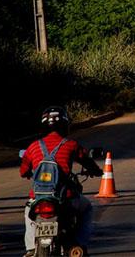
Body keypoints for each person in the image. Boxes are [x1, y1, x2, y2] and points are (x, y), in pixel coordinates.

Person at [20, 106, 103, 256]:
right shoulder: (71, 145)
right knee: (87, 209)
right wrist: (96, 171)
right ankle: (78, 244)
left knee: (28, 212)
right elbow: (87, 161)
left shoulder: (34, 146)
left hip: (38, 197)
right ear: (65, 125)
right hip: (65, 197)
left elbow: (23, 171)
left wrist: (28, 172)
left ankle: (31, 249)